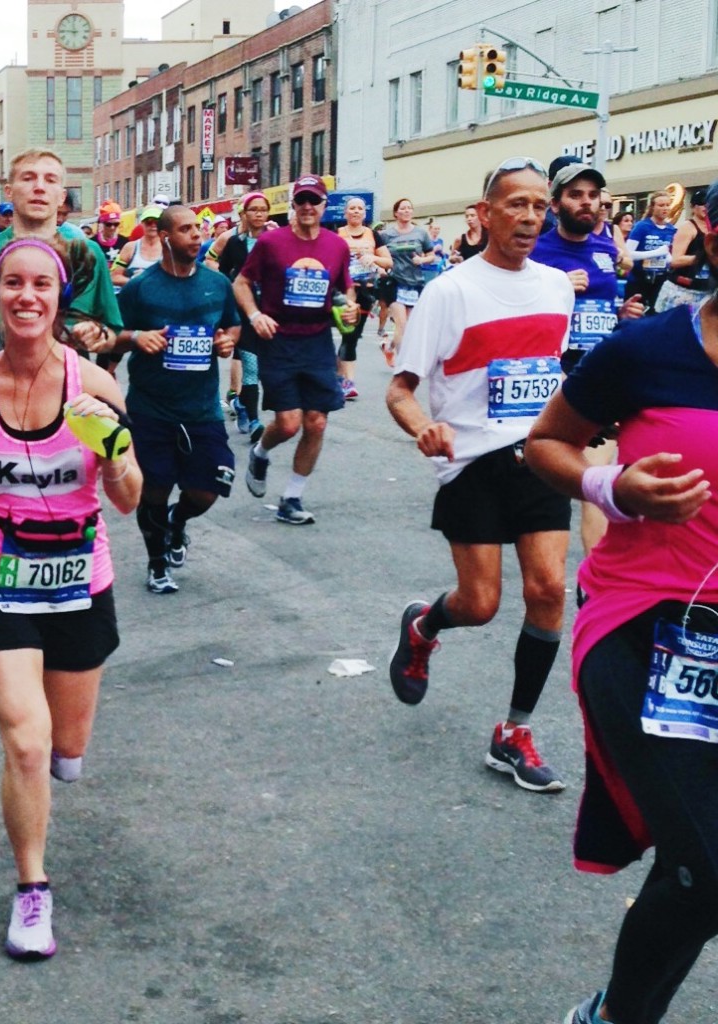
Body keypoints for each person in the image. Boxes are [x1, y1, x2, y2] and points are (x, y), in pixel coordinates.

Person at [524, 174, 718, 1024]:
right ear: (710, 228)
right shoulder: (650, 349)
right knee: (708, 867)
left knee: (697, 864)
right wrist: (614, 487)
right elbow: (547, 443)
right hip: (648, 625)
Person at [0, 238, 141, 960]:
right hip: (1, 580)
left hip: (83, 581)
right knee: (26, 739)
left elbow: (128, 498)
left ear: (59, 298)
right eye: (13, 284)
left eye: (41, 285)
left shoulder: (95, 386)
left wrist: (113, 451)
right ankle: (32, 889)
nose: (27, 297)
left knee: (66, 748)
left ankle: (51, 766)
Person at [385, 156, 573, 793]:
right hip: (470, 464)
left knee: (548, 589)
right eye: (515, 204)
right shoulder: (450, 291)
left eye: (539, 206)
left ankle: (515, 731)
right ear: (486, 213)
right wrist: (424, 429)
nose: (529, 216)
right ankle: (425, 625)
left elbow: (556, 373)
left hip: (539, 456)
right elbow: (401, 390)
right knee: (482, 604)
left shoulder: (556, 287)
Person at [0, 149, 122, 425]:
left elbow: (113, 335)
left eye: (51, 180)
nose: (39, 187)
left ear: (62, 196)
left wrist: (100, 335)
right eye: (28, 178)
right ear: (9, 191)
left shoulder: (88, 255)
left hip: (73, 411)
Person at [112, 205, 240, 593]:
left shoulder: (216, 284)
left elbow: (231, 324)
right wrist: (136, 338)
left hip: (201, 407)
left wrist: (227, 340)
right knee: (153, 488)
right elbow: (110, 334)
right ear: (165, 238)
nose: (197, 236)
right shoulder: (141, 287)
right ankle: (156, 564)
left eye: (198, 230)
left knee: (209, 488)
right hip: (151, 406)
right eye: (186, 230)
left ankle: (177, 521)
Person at [530, 162, 645, 555]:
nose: (586, 202)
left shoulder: (604, 248)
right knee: (554, 474)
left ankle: (591, 581)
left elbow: (602, 305)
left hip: (600, 370)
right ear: (556, 203)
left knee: (596, 474)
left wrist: (622, 313)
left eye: (593, 196)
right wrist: (559, 288)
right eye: (575, 195)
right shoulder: (538, 251)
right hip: (553, 372)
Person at [233, 174, 358, 525]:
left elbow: (345, 290)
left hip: (317, 340)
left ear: (323, 205)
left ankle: (292, 497)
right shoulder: (272, 243)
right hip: (279, 340)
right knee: (288, 424)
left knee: (316, 423)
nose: (307, 207)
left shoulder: (337, 246)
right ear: (293, 205)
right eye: (300, 200)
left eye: (313, 201)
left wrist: (349, 306)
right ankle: (261, 451)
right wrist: (255, 315)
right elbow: (241, 283)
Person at [210, 192, 278, 441]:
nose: (259, 214)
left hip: (271, 313)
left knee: (267, 369)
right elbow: (223, 273)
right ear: (244, 214)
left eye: (263, 209)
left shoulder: (275, 241)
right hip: (243, 314)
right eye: (253, 210)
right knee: (251, 367)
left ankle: (240, 404)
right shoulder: (235, 243)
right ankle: (255, 421)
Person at [335, 195, 393, 399]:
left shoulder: (374, 236)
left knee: (351, 337)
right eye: (352, 208)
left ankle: (339, 376)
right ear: (346, 213)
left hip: (366, 292)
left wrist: (373, 258)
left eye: (360, 208)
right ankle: (347, 382)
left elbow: (388, 262)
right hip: (343, 292)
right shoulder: (337, 234)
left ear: (365, 213)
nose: (356, 211)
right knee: (348, 336)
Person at [381, 198, 437, 362]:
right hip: (394, 282)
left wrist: (422, 260)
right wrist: (381, 269)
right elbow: (378, 255)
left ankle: (389, 346)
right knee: (402, 324)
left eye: (409, 208)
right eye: (403, 208)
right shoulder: (386, 235)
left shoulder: (421, 233)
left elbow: (431, 256)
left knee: (411, 327)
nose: (406, 211)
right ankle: (403, 364)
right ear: (396, 213)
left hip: (414, 283)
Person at [655, 187, 712, 312]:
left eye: (708, 203)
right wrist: (703, 258)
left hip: (707, 291)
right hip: (682, 289)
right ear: (692, 207)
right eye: (701, 203)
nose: (705, 207)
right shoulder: (688, 228)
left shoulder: (713, 228)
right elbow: (675, 260)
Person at [626, 190, 677, 314]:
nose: (665, 208)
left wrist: (668, 258)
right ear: (652, 207)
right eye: (661, 205)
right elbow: (627, 253)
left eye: (667, 205)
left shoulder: (672, 229)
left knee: (656, 315)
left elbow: (671, 255)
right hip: (639, 280)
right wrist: (655, 253)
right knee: (636, 315)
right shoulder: (642, 227)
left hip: (660, 280)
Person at [111, 205, 163, 288]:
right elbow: (114, 277)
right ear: (142, 224)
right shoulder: (130, 247)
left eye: (157, 222)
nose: (153, 225)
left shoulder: (169, 248)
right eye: (149, 222)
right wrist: (134, 280)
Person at [90, 202, 127, 266]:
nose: (112, 228)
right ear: (101, 224)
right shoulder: (91, 243)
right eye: (108, 224)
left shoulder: (125, 242)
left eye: (116, 224)